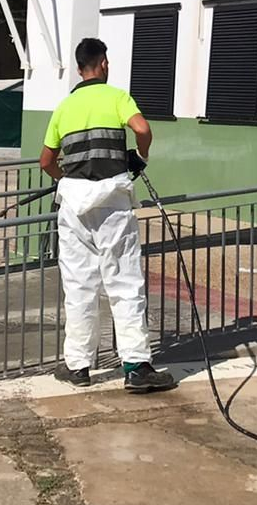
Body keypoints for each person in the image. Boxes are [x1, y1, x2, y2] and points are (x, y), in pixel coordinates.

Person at [40, 37, 176, 393]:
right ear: (102, 64)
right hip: (112, 201)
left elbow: (45, 162)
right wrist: (139, 158)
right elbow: (143, 129)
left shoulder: (64, 107)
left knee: (79, 285)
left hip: (72, 205)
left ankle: (78, 366)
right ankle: (135, 367)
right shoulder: (116, 97)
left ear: (78, 67)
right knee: (124, 282)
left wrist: (66, 180)